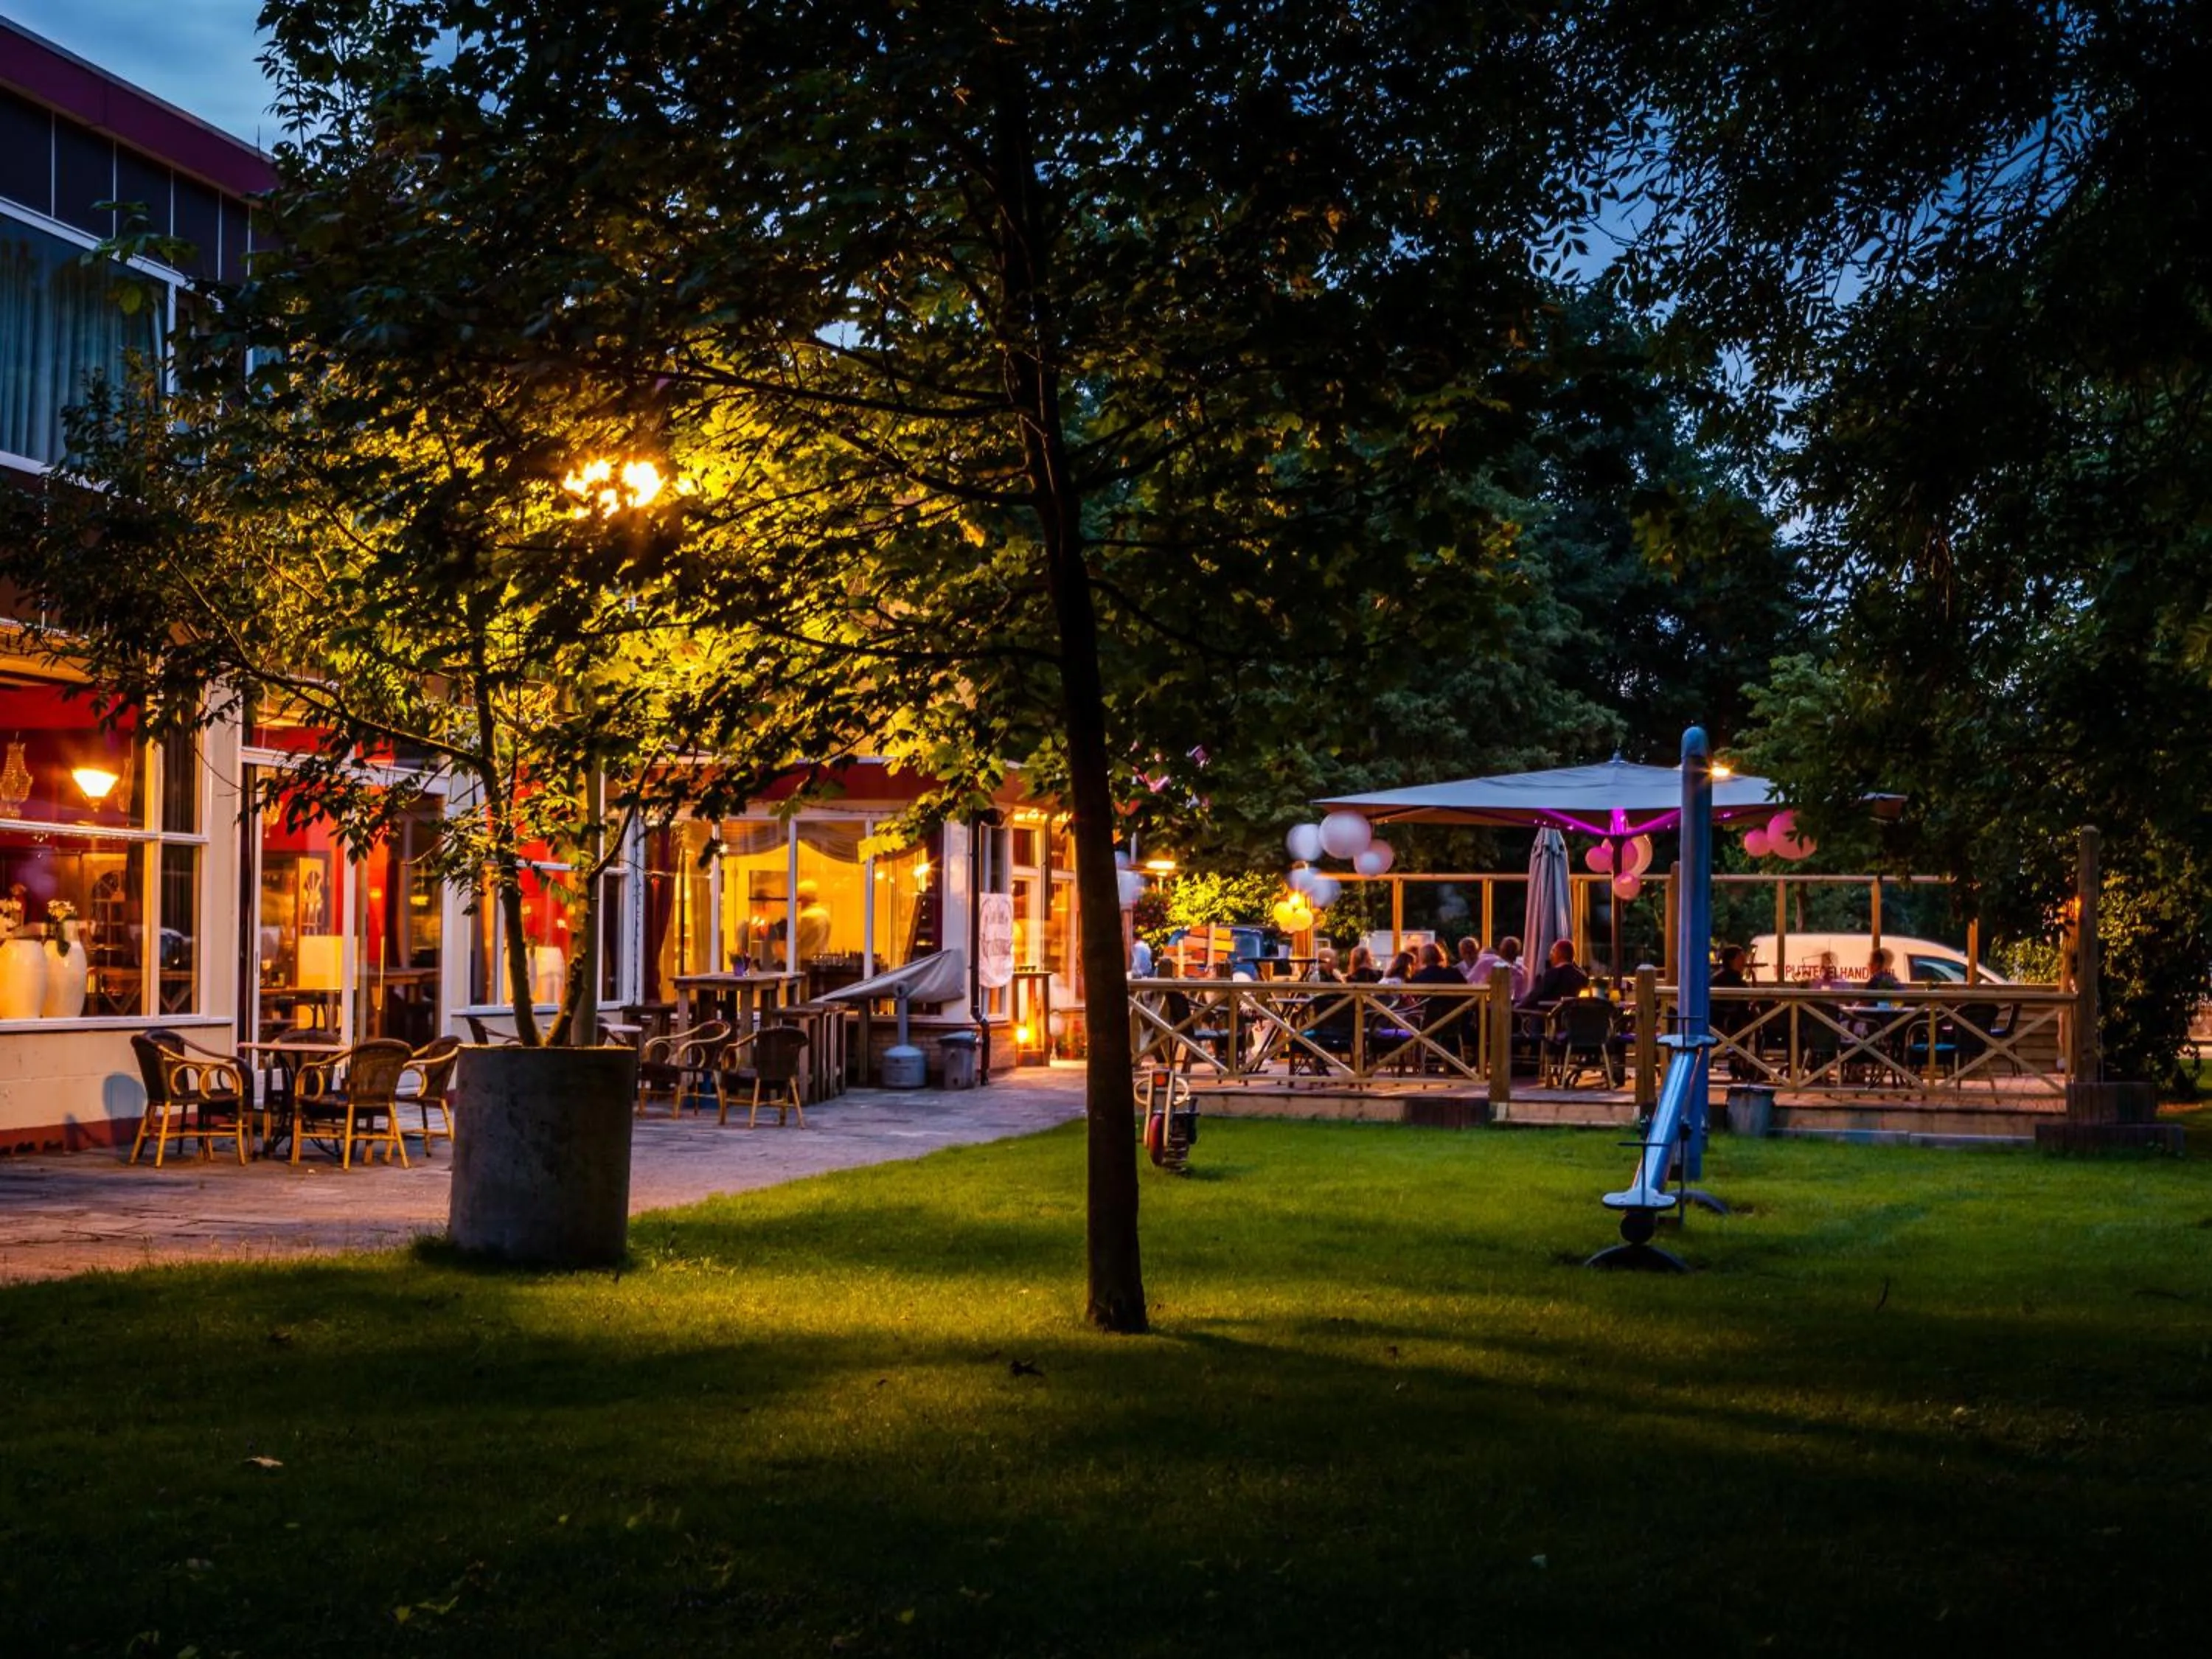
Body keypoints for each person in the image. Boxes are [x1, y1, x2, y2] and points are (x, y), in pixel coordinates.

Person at [1522, 939, 1589, 1006]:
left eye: (1553, 951)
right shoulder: (1581, 977)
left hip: (1547, 1014)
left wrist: (1517, 1007)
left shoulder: (1553, 974)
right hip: (1569, 1015)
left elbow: (1535, 996)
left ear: (1560, 954)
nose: (1550, 956)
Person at [1468, 934, 1528, 1001]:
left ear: (1501, 950)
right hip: (1516, 1006)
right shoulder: (1523, 971)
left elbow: (1469, 981)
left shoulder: (1488, 962)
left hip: (1494, 1006)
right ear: (1517, 953)